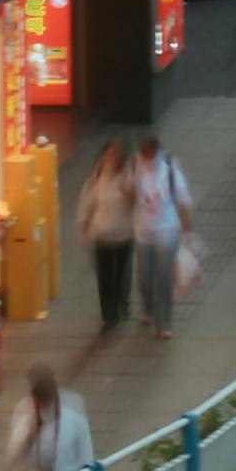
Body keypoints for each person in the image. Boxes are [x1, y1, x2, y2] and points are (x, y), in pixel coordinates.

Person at [78, 130, 141, 338]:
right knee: (105, 279)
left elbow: (139, 203)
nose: (110, 157)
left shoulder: (130, 174)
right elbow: (88, 202)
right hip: (102, 236)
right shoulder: (98, 175)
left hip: (124, 235)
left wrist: (129, 193)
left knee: (121, 275)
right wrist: (84, 226)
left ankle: (123, 302)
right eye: (109, 153)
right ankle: (109, 316)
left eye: (115, 153)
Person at [134, 126, 195, 318]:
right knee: (145, 277)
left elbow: (182, 202)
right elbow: (129, 195)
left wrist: (186, 232)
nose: (147, 159)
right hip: (143, 231)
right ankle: (148, 307)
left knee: (164, 278)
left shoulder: (169, 169)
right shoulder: (134, 167)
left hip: (166, 230)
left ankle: (164, 321)